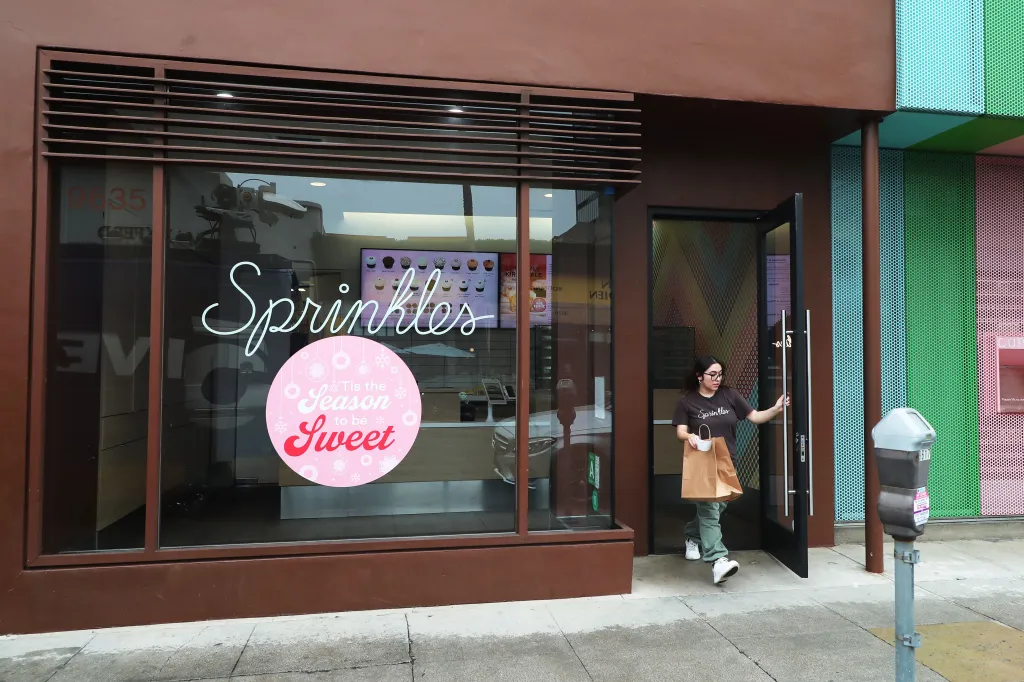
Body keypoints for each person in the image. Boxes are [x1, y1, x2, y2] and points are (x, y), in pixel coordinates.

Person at [672, 355, 790, 585]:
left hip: (728, 462)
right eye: (712, 375)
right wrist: (691, 436)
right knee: (709, 509)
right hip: (703, 464)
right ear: (699, 376)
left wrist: (775, 409)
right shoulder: (687, 402)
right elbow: (680, 433)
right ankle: (718, 560)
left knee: (717, 507)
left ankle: (692, 535)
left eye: (720, 374)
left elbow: (754, 417)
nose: (717, 379)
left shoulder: (730, 395)